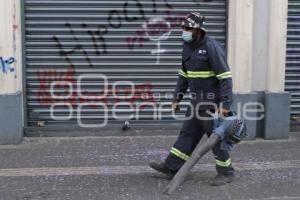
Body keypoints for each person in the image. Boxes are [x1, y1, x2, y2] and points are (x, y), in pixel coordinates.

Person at [149, 12, 234, 186]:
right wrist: (176, 98)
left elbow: (225, 77)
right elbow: (183, 76)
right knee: (187, 134)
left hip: (212, 104)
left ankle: (226, 172)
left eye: (188, 28)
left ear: (198, 30)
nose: (184, 31)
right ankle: (171, 167)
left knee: (215, 140)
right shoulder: (187, 47)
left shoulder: (212, 47)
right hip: (196, 102)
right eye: (183, 28)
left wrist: (225, 104)